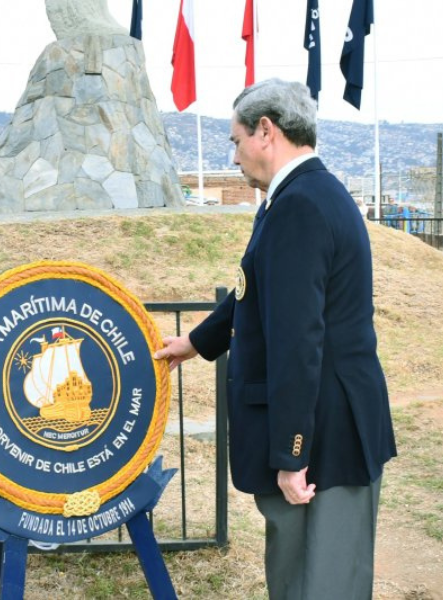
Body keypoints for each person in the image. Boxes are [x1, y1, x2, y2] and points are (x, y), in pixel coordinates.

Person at [154, 79, 396, 599]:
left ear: (267, 131)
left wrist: (292, 453)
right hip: (329, 417)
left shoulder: (299, 206)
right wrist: (196, 342)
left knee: (323, 578)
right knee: (297, 568)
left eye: (236, 141)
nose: (236, 156)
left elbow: (297, 339)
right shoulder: (300, 195)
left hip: (325, 428)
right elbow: (254, 290)